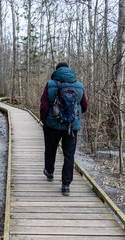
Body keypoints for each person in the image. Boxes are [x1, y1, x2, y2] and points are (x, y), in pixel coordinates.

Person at [40, 62, 87, 196]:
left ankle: (49, 172)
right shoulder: (79, 86)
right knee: (69, 155)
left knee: (50, 150)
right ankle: (66, 185)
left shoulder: (50, 85)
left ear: (56, 71)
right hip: (71, 127)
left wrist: (45, 121)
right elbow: (85, 106)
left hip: (52, 125)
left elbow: (43, 106)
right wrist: (74, 117)